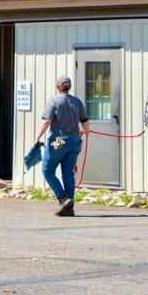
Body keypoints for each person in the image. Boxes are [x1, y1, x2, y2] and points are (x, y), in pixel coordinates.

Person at [34, 74, 90, 216]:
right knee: (68, 174)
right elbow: (85, 121)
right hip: (75, 142)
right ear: (69, 87)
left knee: (47, 170)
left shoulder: (54, 100)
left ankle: (62, 198)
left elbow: (47, 121)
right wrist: (87, 132)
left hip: (59, 142)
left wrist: (37, 137)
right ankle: (69, 208)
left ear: (57, 86)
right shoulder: (77, 102)